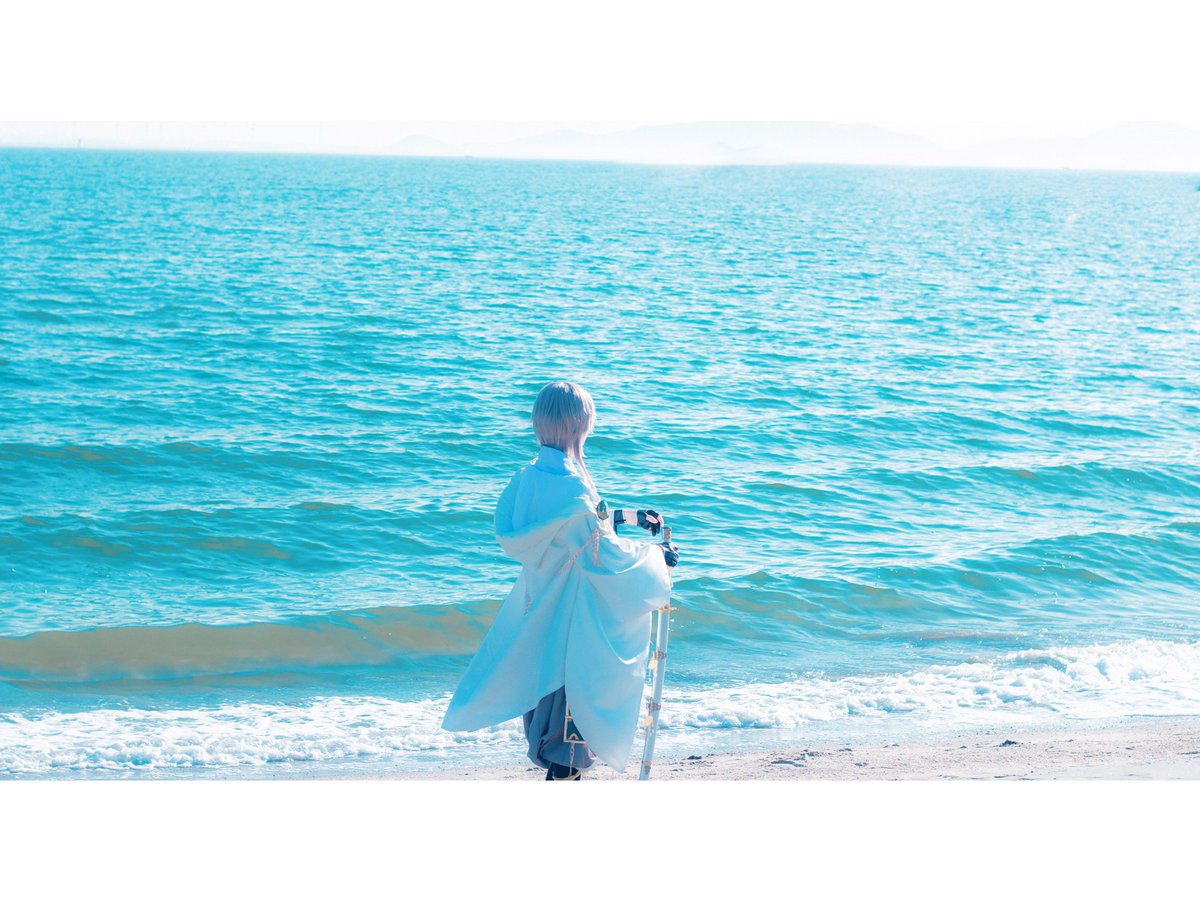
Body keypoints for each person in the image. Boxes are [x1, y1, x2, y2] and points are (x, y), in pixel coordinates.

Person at [441, 381, 680, 780]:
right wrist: (657, 557)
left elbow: (573, 526)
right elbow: (601, 552)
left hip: (540, 610)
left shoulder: (528, 478)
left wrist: (627, 516)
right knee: (569, 732)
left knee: (548, 706)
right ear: (580, 425)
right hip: (574, 618)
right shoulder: (572, 483)